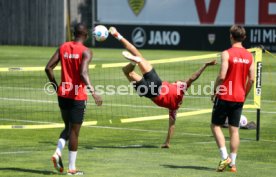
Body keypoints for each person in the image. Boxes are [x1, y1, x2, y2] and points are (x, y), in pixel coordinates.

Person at [109, 27, 216, 148]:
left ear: (178, 83)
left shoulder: (181, 87)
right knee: (127, 72)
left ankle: (119, 37)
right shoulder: (174, 108)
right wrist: (167, 142)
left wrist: (205, 65)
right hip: (149, 92)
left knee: (138, 54)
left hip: (156, 82)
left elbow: (193, 77)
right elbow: (171, 126)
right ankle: (133, 62)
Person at [45, 23, 102, 175]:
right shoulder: (86, 51)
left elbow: (48, 67)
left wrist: (56, 87)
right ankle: (71, 169)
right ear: (86, 36)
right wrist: (94, 92)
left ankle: (57, 152)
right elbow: (83, 73)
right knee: (74, 132)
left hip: (62, 94)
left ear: (74, 33)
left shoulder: (63, 46)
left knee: (68, 127)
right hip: (77, 96)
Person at [210, 25, 254, 172]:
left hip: (224, 95)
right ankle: (233, 164)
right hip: (239, 97)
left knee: (215, 126)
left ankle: (224, 157)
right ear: (244, 38)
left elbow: (222, 76)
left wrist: (215, 89)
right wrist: (244, 94)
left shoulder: (226, 53)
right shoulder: (250, 56)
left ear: (231, 36)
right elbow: (252, 79)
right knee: (234, 130)